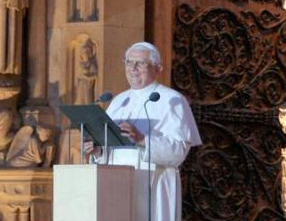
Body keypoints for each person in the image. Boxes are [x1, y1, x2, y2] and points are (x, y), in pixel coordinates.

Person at [84, 42, 202, 221]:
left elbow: (179, 151)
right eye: (129, 62)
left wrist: (142, 140)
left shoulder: (172, 100)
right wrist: (99, 151)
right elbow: (111, 149)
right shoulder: (117, 102)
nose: (133, 68)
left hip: (154, 185)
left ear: (157, 68)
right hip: (116, 187)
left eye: (141, 63)